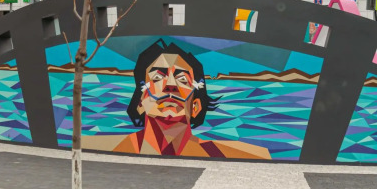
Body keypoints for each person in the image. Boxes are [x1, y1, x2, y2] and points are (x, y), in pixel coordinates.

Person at [83, 39, 270, 159]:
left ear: (196, 106)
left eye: (182, 79)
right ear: (140, 101)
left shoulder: (247, 154)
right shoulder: (94, 146)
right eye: (158, 77)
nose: (170, 85)